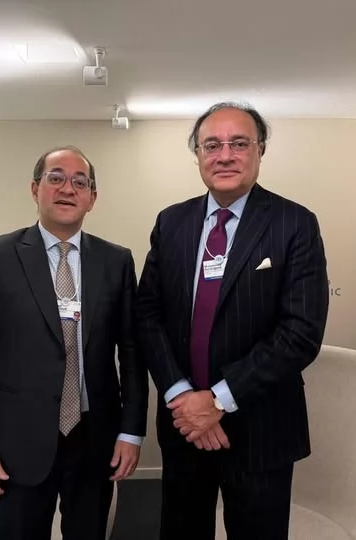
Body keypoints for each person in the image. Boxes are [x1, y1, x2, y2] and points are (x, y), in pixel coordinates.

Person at [136, 102, 329, 540]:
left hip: (260, 428)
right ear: (198, 155)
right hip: (184, 424)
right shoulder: (172, 222)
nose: (225, 155)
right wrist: (183, 396)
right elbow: (147, 314)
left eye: (239, 143)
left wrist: (218, 401)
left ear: (260, 151)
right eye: (212, 145)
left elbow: (300, 332)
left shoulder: (294, 223)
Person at [0, 146, 149, 540]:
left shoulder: (116, 261)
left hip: (95, 439)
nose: (67, 189)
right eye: (56, 178)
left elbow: (132, 351)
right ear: (35, 189)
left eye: (80, 182)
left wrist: (131, 431)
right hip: (16, 442)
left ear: (92, 197)